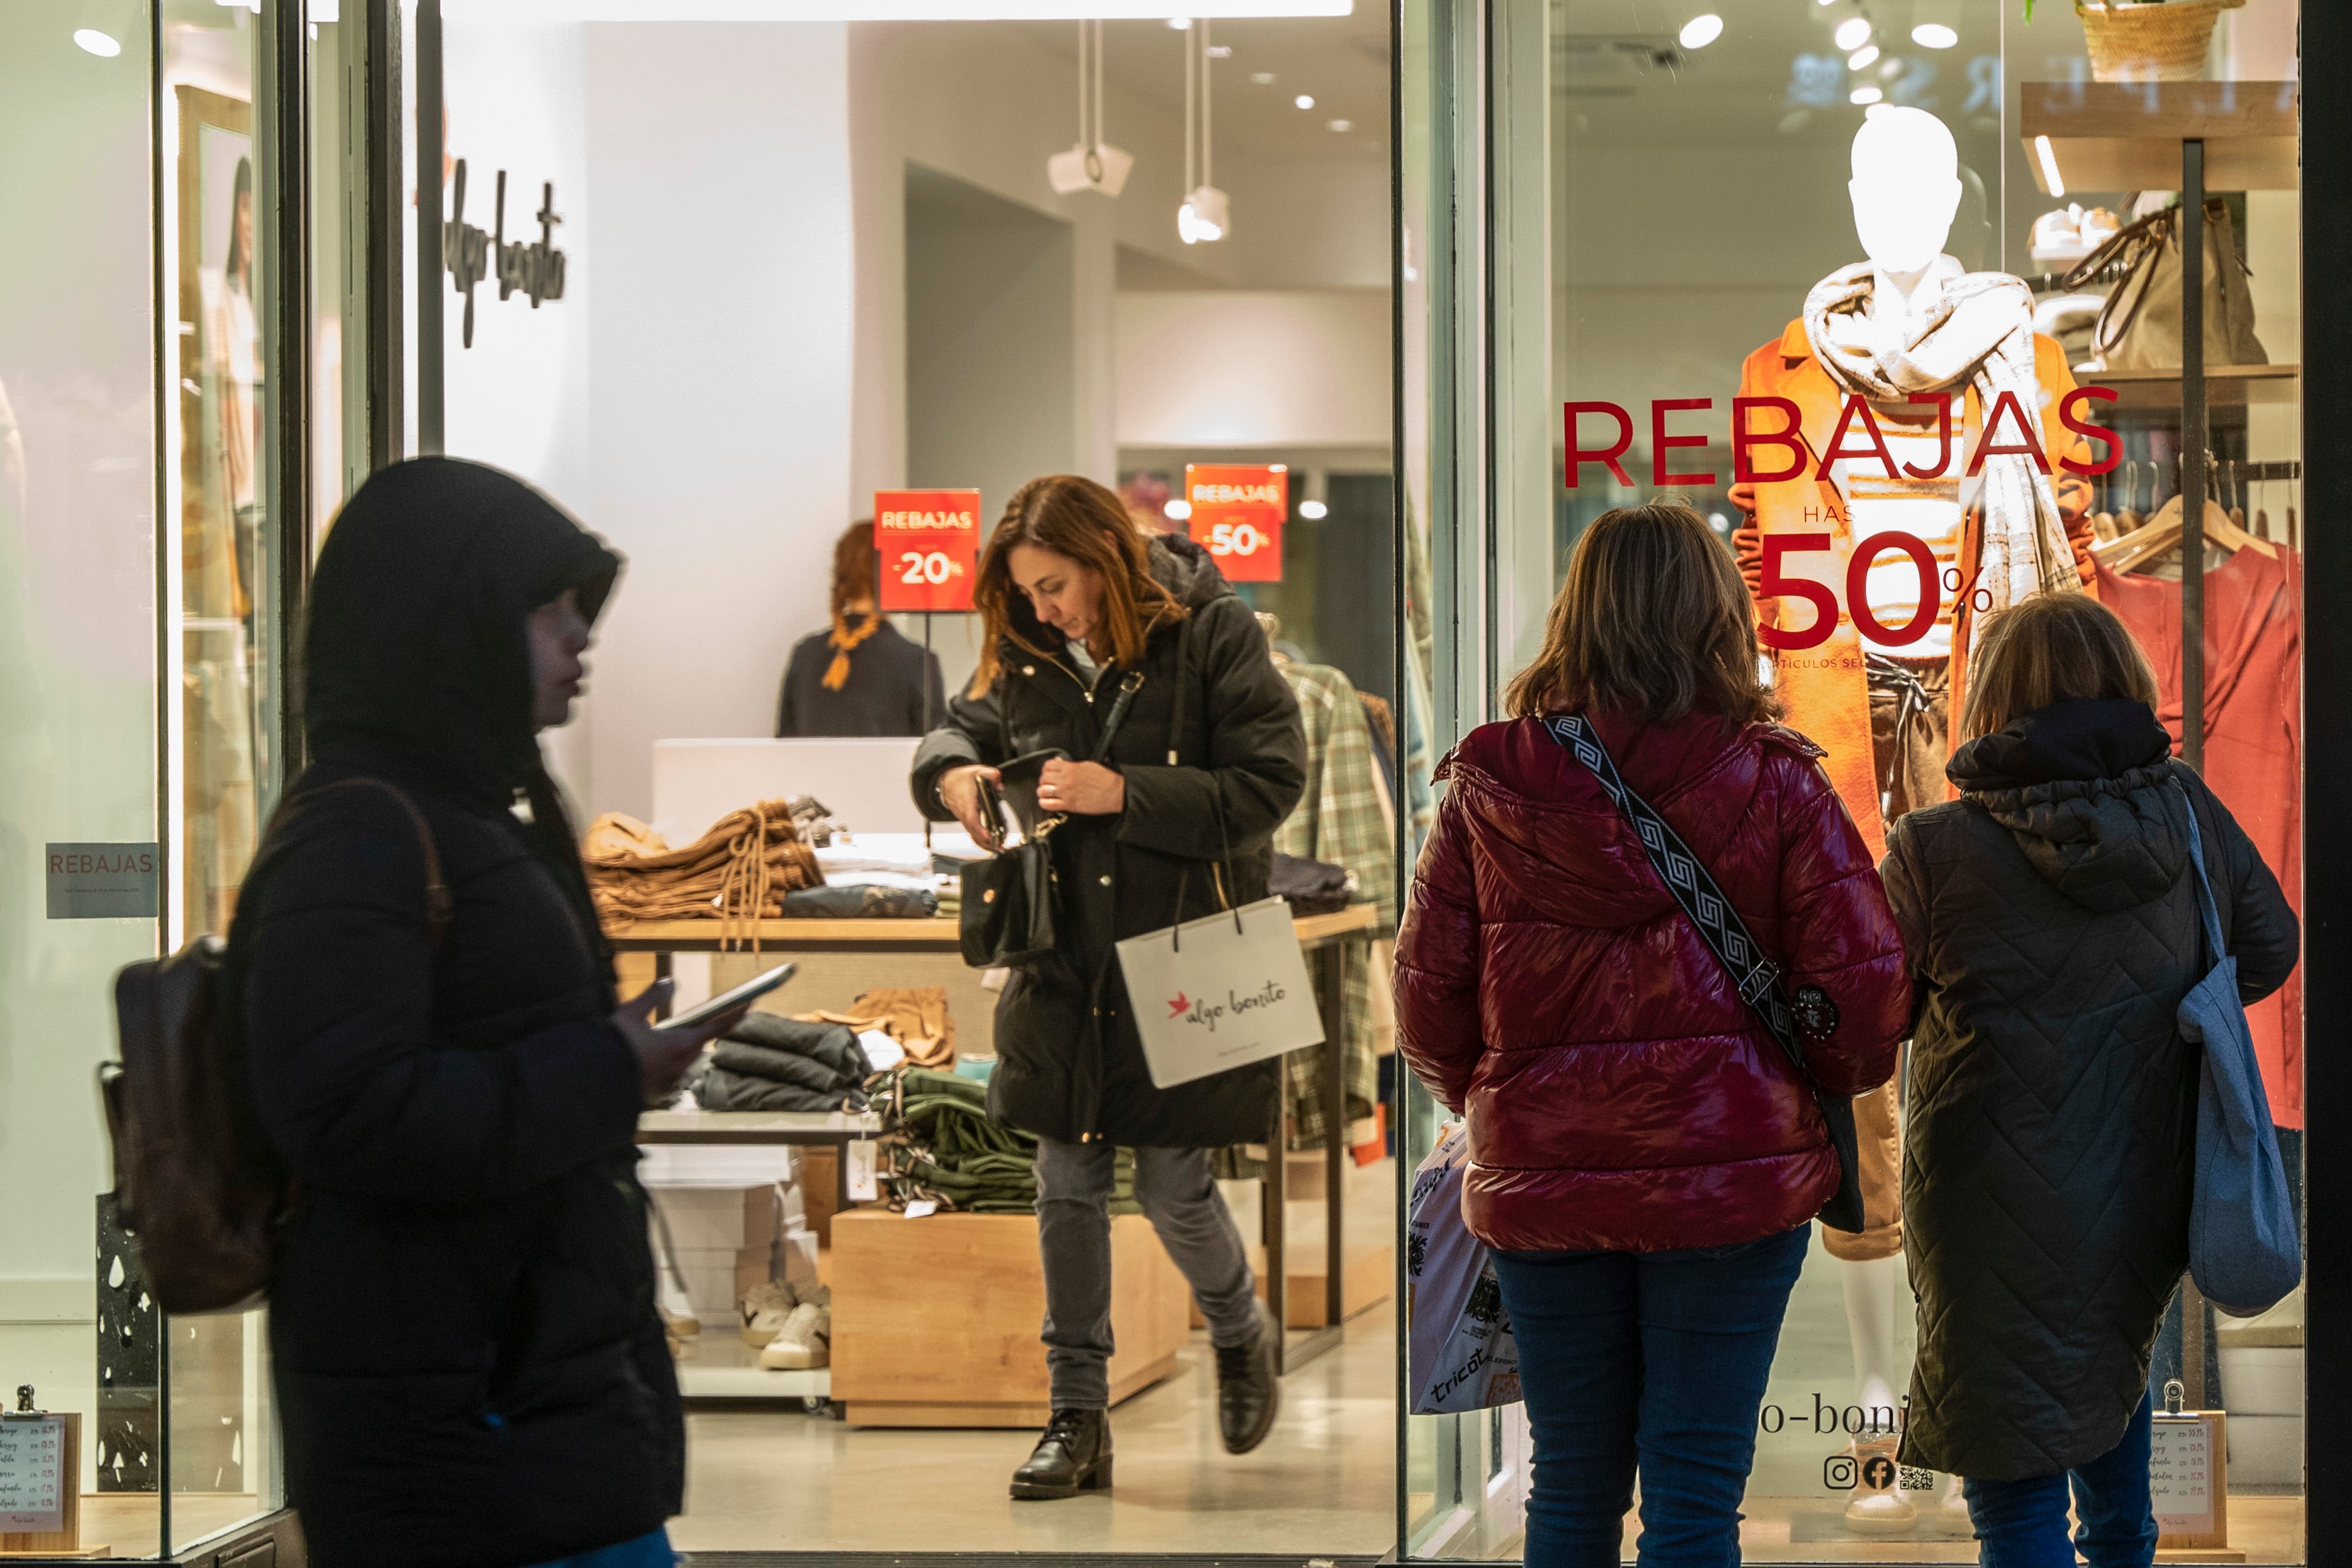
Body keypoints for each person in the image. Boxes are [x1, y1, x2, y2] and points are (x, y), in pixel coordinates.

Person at [232, 459, 745, 1568]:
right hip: (460, 1427)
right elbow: (345, 1106)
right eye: (549, 609)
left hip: (522, 1403)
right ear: (452, 623)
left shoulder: (469, 816)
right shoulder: (360, 832)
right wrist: (606, 1068)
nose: (580, 638)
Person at [1394, 501, 1910, 1567]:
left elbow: (1425, 1002)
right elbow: (1863, 1000)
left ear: (1573, 616)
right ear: (1716, 615)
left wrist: (1493, 1096)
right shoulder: (1774, 777)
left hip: (1542, 1178)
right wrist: (1794, 1083)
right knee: (1693, 1490)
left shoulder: (1490, 786)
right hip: (1730, 1180)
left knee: (1570, 1485)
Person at [911, 474, 1306, 1499]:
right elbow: (958, 728)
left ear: (1102, 560)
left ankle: (1236, 1327)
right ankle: (1075, 1415)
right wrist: (951, 770)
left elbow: (1271, 782)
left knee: (1176, 1184)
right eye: (1027, 592)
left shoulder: (1213, 632)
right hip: (1061, 957)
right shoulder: (1026, 649)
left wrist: (1124, 791)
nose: (1042, 609)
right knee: (1064, 1185)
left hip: (1184, 957)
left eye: (1053, 586)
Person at [1884, 593, 2298, 1568]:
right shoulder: (2184, 811)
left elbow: (1874, 1016)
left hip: (1987, 1199)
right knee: (2110, 1423)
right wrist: (2161, 1005)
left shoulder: (1933, 847)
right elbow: (2269, 946)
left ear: (1986, 694)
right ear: (2126, 684)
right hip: (2141, 1173)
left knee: (2015, 1504)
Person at [775, 520, 945, 737]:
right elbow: (933, 753)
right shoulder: (917, 660)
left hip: (807, 772)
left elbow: (783, 746)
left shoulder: (805, 653)